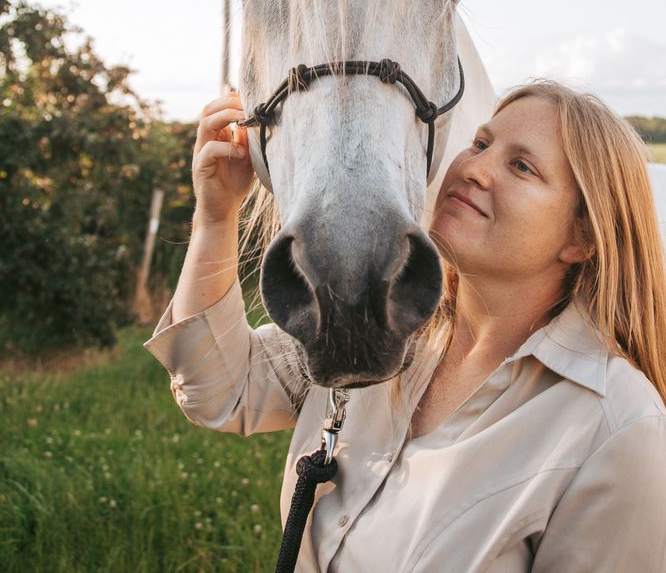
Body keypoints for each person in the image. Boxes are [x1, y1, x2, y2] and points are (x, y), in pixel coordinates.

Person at [144, 80, 666, 572]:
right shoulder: (380, 319)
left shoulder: (619, 431)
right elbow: (219, 390)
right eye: (481, 143)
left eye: (522, 167)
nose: (474, 169)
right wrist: (217, 215)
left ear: (580, 238)